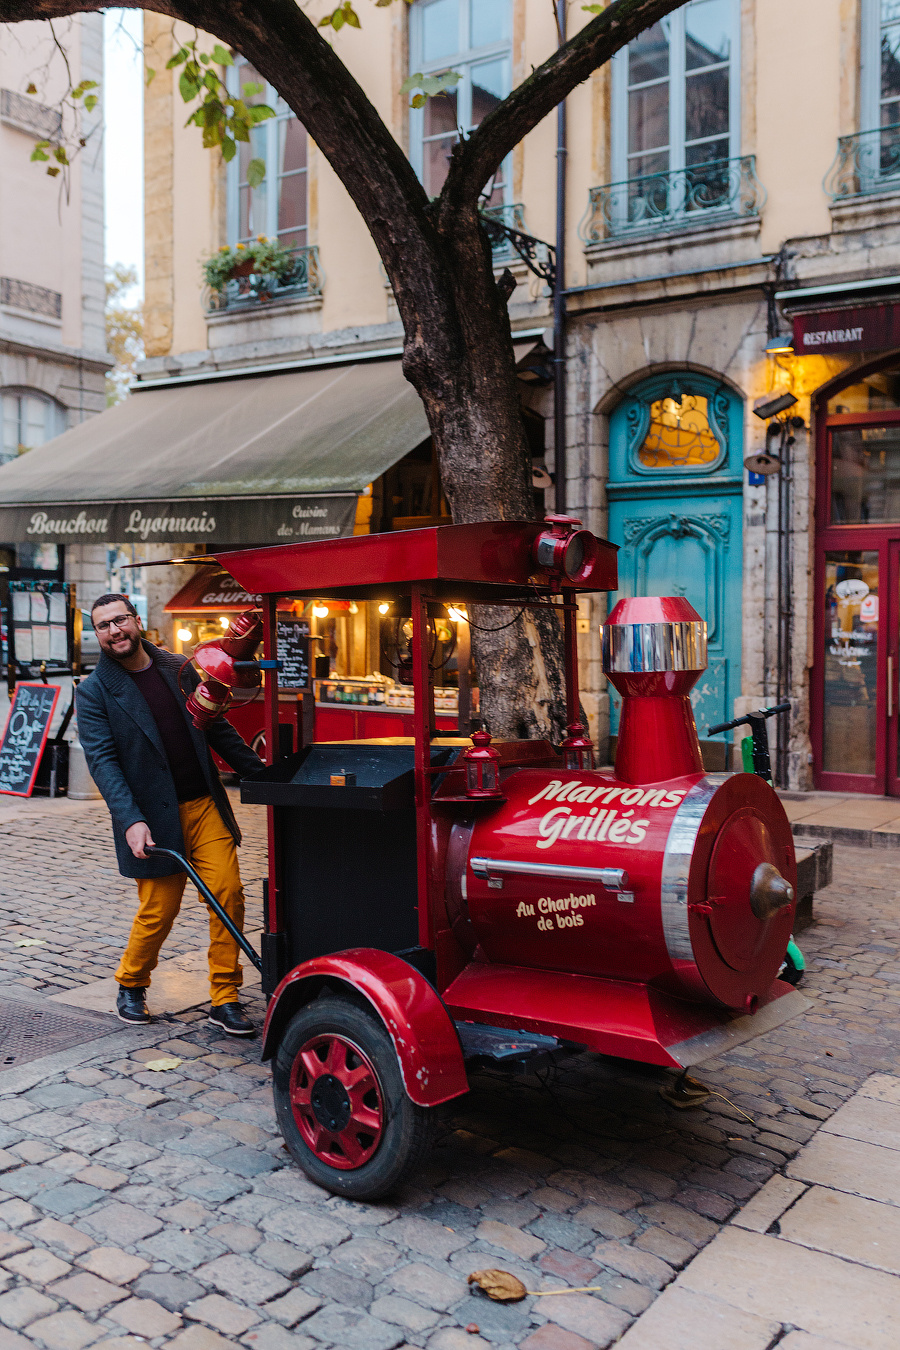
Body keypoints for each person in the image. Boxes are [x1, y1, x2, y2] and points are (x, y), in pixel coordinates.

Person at [75, 593, 265, 1035]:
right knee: (159, 910)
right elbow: (102, 761)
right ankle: (131, 982)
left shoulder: (177, 667)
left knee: (228, 894)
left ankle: (225, 997)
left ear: (137, 620)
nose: (114, 631)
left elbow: (215, 723)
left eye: (120, 620)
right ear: (97, 634)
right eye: (103, 626)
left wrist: (263, 776)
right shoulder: (94, 691)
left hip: (203, 805)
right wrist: (131, 820)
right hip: (153, 816)